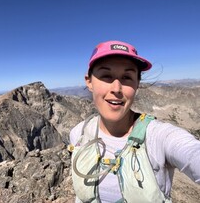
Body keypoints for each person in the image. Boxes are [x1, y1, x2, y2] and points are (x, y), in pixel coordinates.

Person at [69, 40, 200, 203]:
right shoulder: (79, 134)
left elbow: (192, 152)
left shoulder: (159, 137)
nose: (116, 88)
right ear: (89, 82)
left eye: (127, 77)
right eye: (106, 76)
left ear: (137, 83)